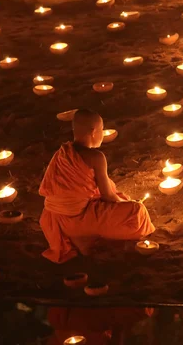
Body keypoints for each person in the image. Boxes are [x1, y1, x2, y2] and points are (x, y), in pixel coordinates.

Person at [39, 109, 155, 263]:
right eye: (102, 129)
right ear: (94, 132)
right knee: (136, 211)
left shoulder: (61, 153)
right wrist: (129, 204)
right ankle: (84, 235)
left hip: (52, 219)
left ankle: (80, 237)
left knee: (115, 197)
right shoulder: (96, 157)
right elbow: (108, 196)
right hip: (76, 219)